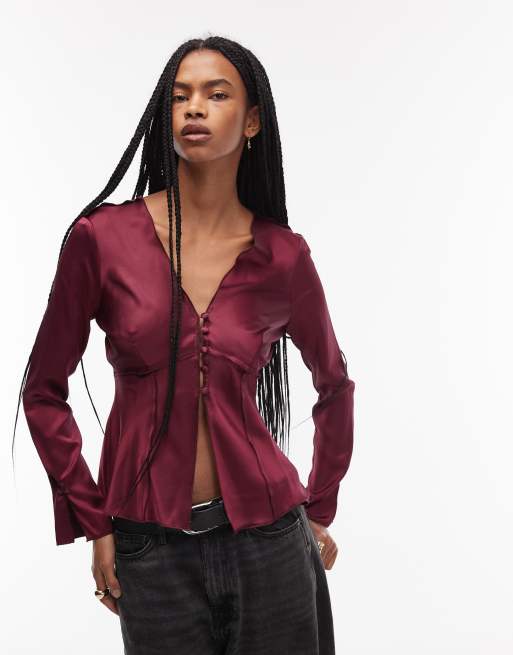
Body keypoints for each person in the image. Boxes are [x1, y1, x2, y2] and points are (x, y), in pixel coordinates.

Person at [14, 35, 355, 654]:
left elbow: (334, 386)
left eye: (216, 94)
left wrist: (319, 508)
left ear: (251, 121)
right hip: (150, 550)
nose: (194, 107)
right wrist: (94, 520)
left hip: (272, 545)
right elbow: (42, 393)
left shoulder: (283, 256)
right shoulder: (102, 240)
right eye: (179, 96)